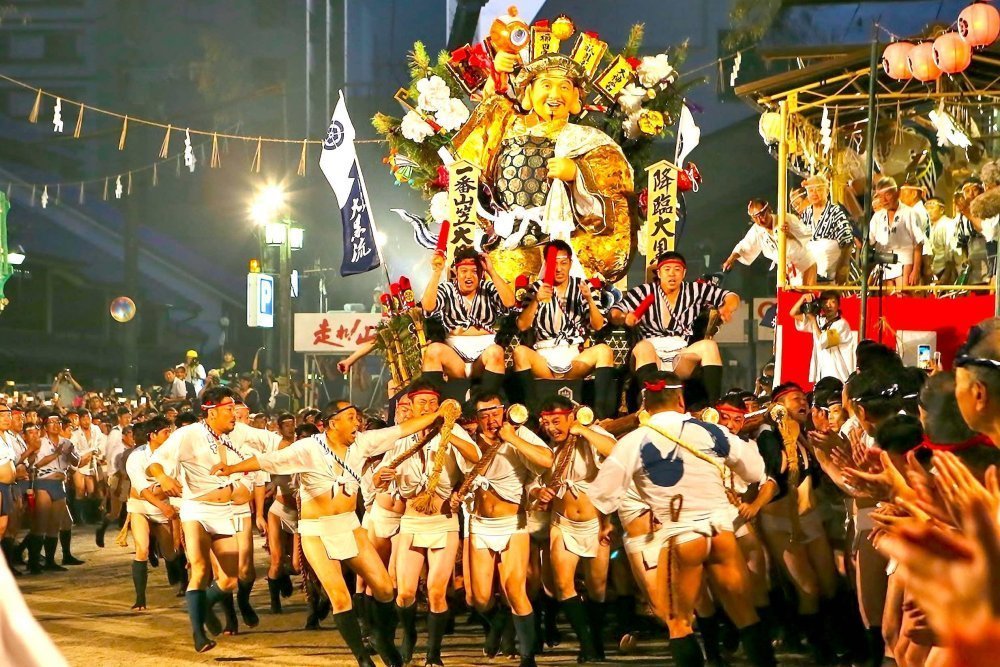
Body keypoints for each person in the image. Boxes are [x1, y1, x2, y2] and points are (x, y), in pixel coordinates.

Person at [213, 399, 455, 667]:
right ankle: (363, 658)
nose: (357, 422)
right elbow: (268, 460)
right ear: (332, 423)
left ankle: (383, 639)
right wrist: (232, 468)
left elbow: (403, 429)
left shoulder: (362, 443)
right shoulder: (308, 448)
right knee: (340, 596)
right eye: (351, 417)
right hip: (316, 531)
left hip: (349, 525)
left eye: (357, 417)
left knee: (386, 589)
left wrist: (438, 415)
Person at [589, 371, 776, 667]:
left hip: (681, 534)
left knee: (679, 623)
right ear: (680, 399)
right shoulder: (711, 432)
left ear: (644, 403)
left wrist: (604, 524)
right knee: (746, 615)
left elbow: (603, 494)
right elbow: (755, 471)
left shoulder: (634, 441)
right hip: (720, 532)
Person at [452, 50, 634, 282]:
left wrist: (577, 174)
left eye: (565, 87)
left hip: (558, 242)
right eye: (546, 85)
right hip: (507, 239)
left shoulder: (589, 140)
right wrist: (496, 75)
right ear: (528, 92)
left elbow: (613, 183)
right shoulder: (507, 126)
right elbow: (471, 157)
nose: (555, 94)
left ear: (577, 97)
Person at [145, 386, 249, 653]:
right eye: (229, 409)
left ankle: (202, 606)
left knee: (229, 580)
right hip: (196, 510)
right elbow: (155, 463)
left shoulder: (234, 436)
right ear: (212, 411)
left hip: (224, 511)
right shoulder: (188, 434)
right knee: (201, 569)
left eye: (235, 408)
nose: (234, 414)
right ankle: (198, 634)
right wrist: (164, 478)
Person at [457, 392, 553, 666]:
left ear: (504, 410)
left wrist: (511, 437)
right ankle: (499, 620)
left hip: (513, 524)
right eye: (484, 414)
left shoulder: (519, 434)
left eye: (494, 412)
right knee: (480, 598)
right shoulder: (471, 441)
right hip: (479, 523)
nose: (490, 420)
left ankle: (527, 655)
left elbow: (546, 460)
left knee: (515, 589)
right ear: (476, 418)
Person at [755, 384, 842, 663]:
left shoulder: (805, 436)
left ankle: (826, 639)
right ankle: (820, 652)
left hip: (809, 518)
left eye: (805, 399)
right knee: (808, 587)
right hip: (780, 521)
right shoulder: (768, 434)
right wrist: (786, 438)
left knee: (829, 585)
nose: (803, 402)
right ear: (778, 405)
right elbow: (777, 467)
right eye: (796, 399)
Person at [532, 394, 617, 662]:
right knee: (562, 584)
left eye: (556, 422)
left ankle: (596, 641)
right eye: (546, 424)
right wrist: (539, 492)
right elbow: (534, 480)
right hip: (562, 522)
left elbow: (614, 451)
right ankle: (586, 643)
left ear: (570, 416)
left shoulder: (590, 435)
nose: (551, 428)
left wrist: (582, 429)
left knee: (597, 588)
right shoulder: (549, 449)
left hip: (594, 523)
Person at [610, 251, 740, 402]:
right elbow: (614, 313)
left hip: (680, 354)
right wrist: (625, 317)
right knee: (643, 348)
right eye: (667, 269)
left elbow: (731, 296)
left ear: (684, 273)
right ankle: (649, 402)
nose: (672, 274)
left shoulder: (694, 290)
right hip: (650, 353)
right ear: (659, 273)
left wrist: (727, 308)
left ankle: (713, 406)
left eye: (677, 270)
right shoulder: (643, 291)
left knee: (709, 346)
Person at [513, 240, 617, 416]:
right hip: (543, 357)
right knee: (519, 352)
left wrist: (590, 299)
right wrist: (536, 301)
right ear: (547, 264)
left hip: (573, 357)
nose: (559, 268)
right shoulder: (537, 288)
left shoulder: (583, 286)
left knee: (604, 351)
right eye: (554, 263)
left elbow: (598, 325)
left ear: (570, 263)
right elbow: (522, 325)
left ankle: (599, 413)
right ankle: (532, 413)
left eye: (564, 262)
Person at [421, 246, 516, 396]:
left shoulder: (488, 288)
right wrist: (436, 273)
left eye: (474, 271)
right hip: (454, 354)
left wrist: (492, 271)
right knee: (433, 350)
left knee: (496, 352)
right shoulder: (447, 289)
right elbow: (427, 306)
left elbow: (510, 302)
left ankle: (487, 404)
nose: (469, 276)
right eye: (464, 271)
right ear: (456, 272)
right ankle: (434, 406)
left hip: (484, 353)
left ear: (481, 273)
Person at [124, 415, 184, 610]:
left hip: (162, 505)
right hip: (141, 506)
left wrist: (161, 498)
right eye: (166, 432)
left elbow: (175, 486)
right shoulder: (136, 456)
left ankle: (182, 581)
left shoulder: (173, 455)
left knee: (171, 552)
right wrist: (162, 500)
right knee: (141, 549)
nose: (170, 435)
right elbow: (141, 490)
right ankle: (140, 599)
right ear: (152, 435)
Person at [723, 198, 817, 286]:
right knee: (790, 301)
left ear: (769, 210)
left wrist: (790, 233)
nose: (760, 220)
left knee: (808, 297)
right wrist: (731, 259)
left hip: (804, 264)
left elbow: (808, 234)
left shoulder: (786, 219)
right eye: (756, 218)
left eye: (762, 215)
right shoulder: (756, 230)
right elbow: (744, 246)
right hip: (785, 271)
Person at [869, 176, 926, 288]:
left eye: (888, 195)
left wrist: (916, 270)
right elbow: (868, 242)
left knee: (903, 294)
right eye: (880, 196)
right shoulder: (877, 216)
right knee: (886, 298)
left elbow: (918, 244)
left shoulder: (909, 213)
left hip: (905, 262)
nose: (884, 200)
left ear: (897, 193)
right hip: (884, 262)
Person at [790, 290, 856, 383]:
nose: (828, 305)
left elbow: (824, 341)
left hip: (838, 375)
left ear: (838, 304)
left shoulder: (841, 324)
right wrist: (803, 298)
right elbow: (793, 313)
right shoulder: (820, 320)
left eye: (832, 302)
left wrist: (813, 320)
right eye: (825, 302)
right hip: (822, 373)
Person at [801, 174, 856, 282]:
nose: (814, 193)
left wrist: (842, 268)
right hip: (814, 274)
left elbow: (848, 241)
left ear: (827, 191)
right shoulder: (806, 213)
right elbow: (801, 239)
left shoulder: (835, 211)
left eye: (819, 189)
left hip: (836, 273)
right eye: (811, 190)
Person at [926, 195, 960, 284]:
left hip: (945, 272)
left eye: (932, 208)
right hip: (935, 272)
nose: (928, 211)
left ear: (942, 210)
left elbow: (950, 253)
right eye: (927, 208)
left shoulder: (948, 224)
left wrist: (944, 278)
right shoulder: (931, 226)